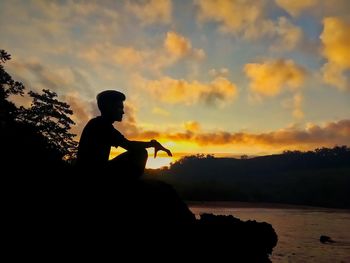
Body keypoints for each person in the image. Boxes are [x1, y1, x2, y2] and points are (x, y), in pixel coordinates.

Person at [76, 90, 172, 179]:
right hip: (92, 175)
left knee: (139, 151)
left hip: (95, 171)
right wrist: (152, 144)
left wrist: (152, 144)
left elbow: (127, 143)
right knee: (141, 153)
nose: (123, 112)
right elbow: (129, 145)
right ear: (109, 108)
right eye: (119, 107)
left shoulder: (101, 124)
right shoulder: (100, 125)